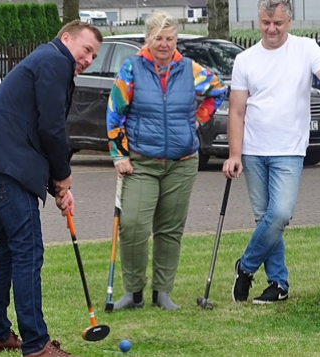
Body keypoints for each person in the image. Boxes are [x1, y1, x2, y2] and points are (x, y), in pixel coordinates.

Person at [0, 20, 102, 357]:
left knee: (8, 248)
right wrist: (64, 177)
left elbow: (40, 127)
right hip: (6, 167)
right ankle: (37, 344)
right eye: (86, 49)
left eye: (94, 56)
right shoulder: (55, 61)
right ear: (66, 37)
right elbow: (51, 127)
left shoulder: (44, 60)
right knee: (28, 250)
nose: (87, 59)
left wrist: (56, 187)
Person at [223, 0, 320, 305]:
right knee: (265, 219)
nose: (271, 29)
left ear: (289, 22)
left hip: (289, 149)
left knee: (279, 215)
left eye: (278, 23)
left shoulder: (306, 48)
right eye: (266, 23)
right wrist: (235, 154)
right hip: (253, 151)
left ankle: (246, 266)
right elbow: (237, 111)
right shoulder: (245, 60)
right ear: (259, 21)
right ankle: (278, 284)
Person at [106, 11, 228, 311]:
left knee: (170, 229)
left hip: (182, 162)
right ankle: (133, 292)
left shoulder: (190, 69)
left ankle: (163, 292)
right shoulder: (132, 67)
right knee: (133, 225)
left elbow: (217, 91)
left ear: (177, 39)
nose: (164, 44)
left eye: (170, 38)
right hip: (141, 161)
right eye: (158, 38)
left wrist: (197, 120)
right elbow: (114, 112)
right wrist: (118, 154)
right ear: (147, 38)